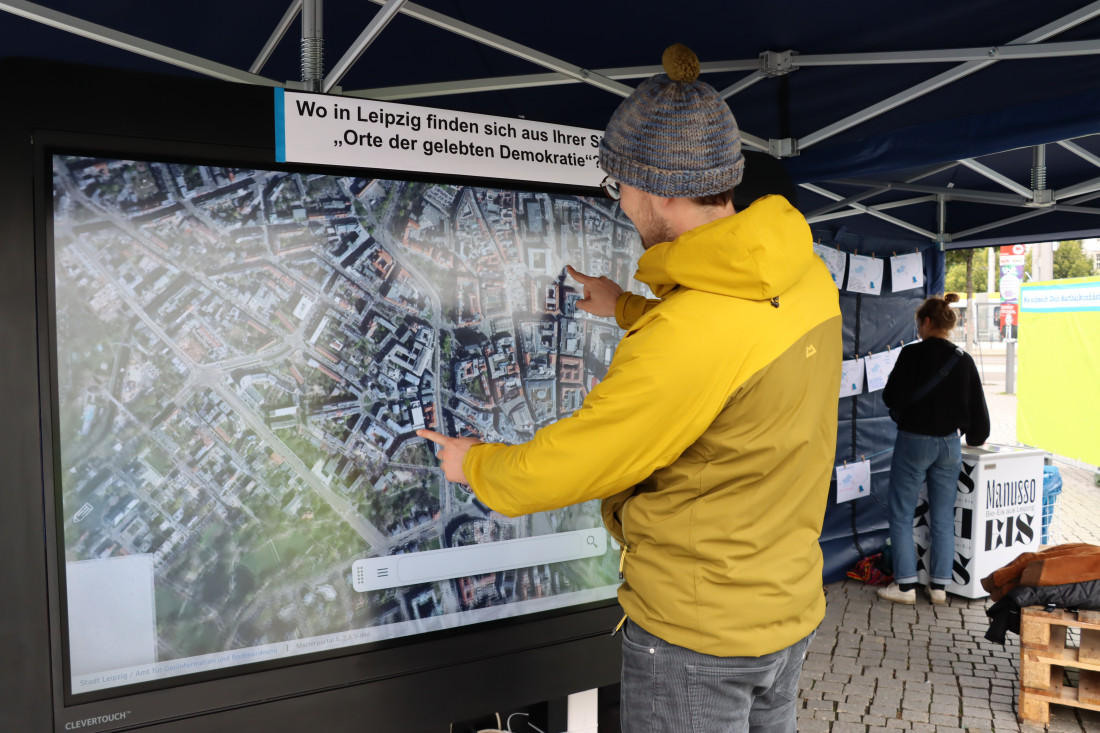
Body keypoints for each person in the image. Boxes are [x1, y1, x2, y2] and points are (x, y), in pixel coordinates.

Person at [418, 43, 842, 733]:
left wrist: (474, 463)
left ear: (662, 190)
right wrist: (624, 307)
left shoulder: (689, 335)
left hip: (697, 639)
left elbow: (571, 462)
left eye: (622, 187)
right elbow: (734, 363)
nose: (621, 203)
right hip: (784, 613)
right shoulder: (804, 277)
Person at [877, 293, 990, 606]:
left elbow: (890, 397)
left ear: (926, 322)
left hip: (913, 441)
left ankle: (905, 587)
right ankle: (939, 587)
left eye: (919, 323)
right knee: (943, 517)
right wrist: (976, 436)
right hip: (949, 445)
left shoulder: (910, 355)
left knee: (901, 515)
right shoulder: (964, 360)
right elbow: (979, 413)